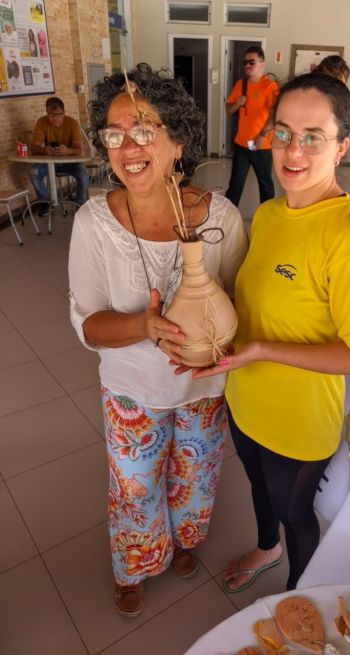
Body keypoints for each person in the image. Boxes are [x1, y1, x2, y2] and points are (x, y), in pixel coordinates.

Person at [172, 71, 350, 592]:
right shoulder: (270, 214)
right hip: (245, 396)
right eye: (284, 133)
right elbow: (258, 302)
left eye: (313, 137)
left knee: (295, 514)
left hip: (298, 419)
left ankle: (299, 602)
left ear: (341, 147)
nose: (294, 151)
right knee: (258, 487)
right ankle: (265, 548)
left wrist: (261, 350)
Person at [68, 63, 248, 617]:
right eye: (115, 134)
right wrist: (143, 327)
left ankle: (186, 539)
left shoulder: (220, 217)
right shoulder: (93, 223)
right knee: (135, 485)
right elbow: (89, 325)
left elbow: (242, 306)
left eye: (144, 130)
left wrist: (221, 343)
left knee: (196, 475)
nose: (129, 147)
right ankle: (136, 563)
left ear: (177, 142)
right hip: (132, 389)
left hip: (202, 388)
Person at [225, 46, 279, 207]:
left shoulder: (270, 86)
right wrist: (237, 103)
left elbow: (275, 115)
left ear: (262, 64)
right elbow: (228, 109)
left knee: (265, 184)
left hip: (260, 144)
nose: (247, 65)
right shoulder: (241, 84)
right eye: (245, 63)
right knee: (235, 183)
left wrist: (262, 136)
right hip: (242, 144)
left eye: (251, 62)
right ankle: (229, 214)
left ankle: (266, 215)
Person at [30, 96, 90, 215]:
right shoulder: (42, 122)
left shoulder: (72, 123)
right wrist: (44, 150)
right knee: (33, 172)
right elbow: (33, 147)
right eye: (50, 115)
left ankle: (80, 203)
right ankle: (46, 202)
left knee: (83, 176)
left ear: (64, 112)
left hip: (71, 162)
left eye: (57, 114)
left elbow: (79, 150)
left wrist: (67, 151)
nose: (54, 118)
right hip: (49, 162)